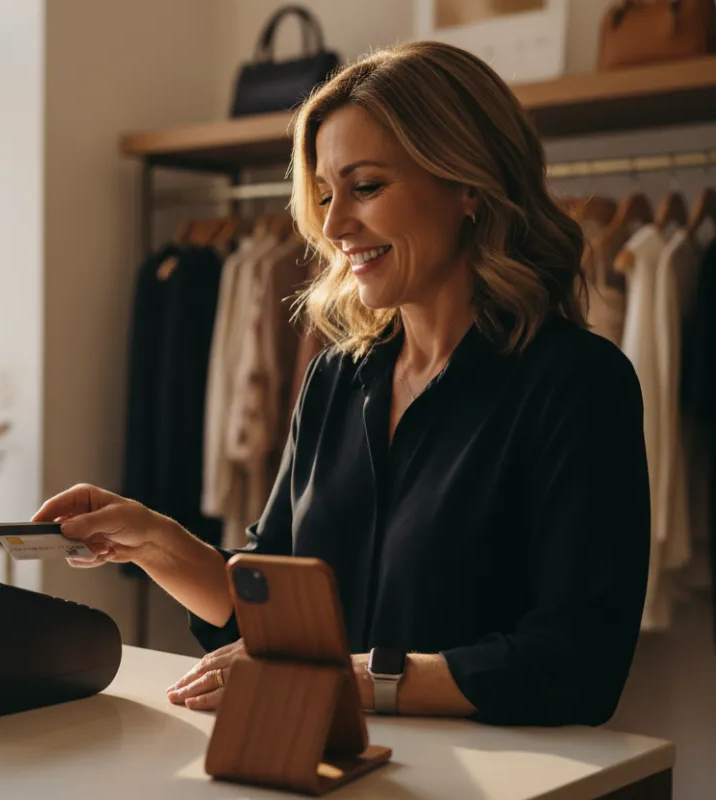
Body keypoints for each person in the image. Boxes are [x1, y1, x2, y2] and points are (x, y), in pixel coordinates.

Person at [32, 41, 650, 727]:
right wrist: (154, 539)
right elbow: (267, 600)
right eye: (325, 195)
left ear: (470, 185)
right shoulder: (337, 376)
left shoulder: (578, 385)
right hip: (324, 766)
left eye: (366, 187)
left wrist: (345, 678)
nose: (333, 226)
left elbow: (576, 664)